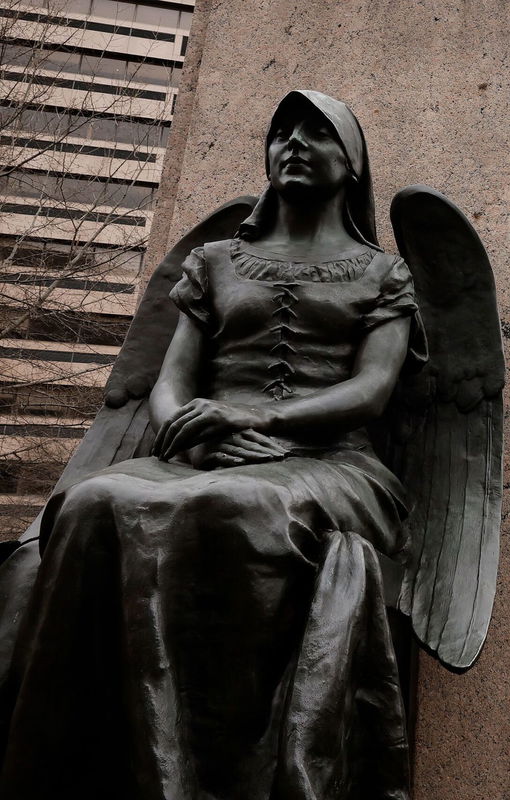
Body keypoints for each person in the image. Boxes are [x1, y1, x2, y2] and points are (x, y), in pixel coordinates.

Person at [0, 91, 423, 800]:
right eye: (281, 131)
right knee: (93, 501)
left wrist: (260, 424)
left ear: (351, 164)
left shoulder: (384, 273)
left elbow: (372, 391)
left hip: (332, 464)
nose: (293, 142)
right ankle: (80, 769)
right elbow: (168, 382)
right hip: (201, 455)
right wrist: (189, 425)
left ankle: (223, 777)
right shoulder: (217, 260)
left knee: (246, 507)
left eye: (317, 134)